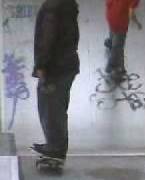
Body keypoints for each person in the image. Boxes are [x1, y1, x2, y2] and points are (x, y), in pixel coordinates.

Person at [31, 0, 80, 160]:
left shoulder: (52, 7)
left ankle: (55, 147)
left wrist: (41, 65)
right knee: (58, 107)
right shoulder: (69, 4)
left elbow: (47, 37)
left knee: (49, 106)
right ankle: (57, 145)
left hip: (55, 67)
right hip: (67, 63)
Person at [104, 0, 142, 77]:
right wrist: (137, 23)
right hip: (120, 22)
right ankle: (111, 65)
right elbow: (131, 13)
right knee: (118, 46)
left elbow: (108, 3)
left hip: (110, 16)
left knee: (113, 33)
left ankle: (110, 41)